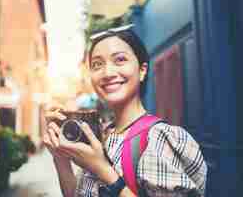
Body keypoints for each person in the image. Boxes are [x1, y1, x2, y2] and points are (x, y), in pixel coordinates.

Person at [41, 24, 207, 197]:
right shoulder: (101, 135)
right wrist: (60, 159)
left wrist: (102, 169)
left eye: (120, 59)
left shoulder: (159, 139)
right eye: (97, 64)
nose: (107, 73)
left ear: (142, 70)